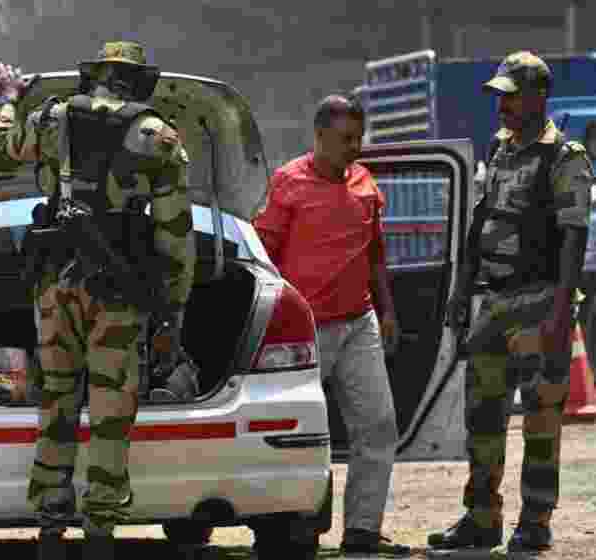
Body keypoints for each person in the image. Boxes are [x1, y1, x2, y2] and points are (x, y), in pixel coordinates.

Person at [0, 40, 195, 560]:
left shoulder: (51, 118)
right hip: (119, 294)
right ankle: (100, 532)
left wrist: (7, 99)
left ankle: (51, 528)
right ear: (138, 82)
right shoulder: (159, 137)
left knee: (56, 401)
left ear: (94, 75)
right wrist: (172, 308)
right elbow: (175, 234)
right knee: (109, 412)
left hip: (56, 286)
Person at [430, 51, 592, 555]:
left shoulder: (564, 157)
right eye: (499, 97)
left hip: (541, 301)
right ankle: (482, 518)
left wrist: (560, 313)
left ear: (538, 97)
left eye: (511, 96)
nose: (501, 106)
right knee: (482, 416)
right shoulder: (500, 149)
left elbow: (573, 238)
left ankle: (535, 522)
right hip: (494, 301)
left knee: (541, 420)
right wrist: (462, 290)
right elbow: (481, 223)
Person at [253, 94, 410, 556]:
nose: (355, 148)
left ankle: (362, 531)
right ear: (319, 136)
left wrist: (388, 312)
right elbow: (263, 258)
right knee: (302, 434)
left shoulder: (365, 183)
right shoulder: (287, 183)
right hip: (304, 333)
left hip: (360, 324)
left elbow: (375, 254)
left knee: (378, 426)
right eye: (346, 139)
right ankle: (296, 528)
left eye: (359, 138)